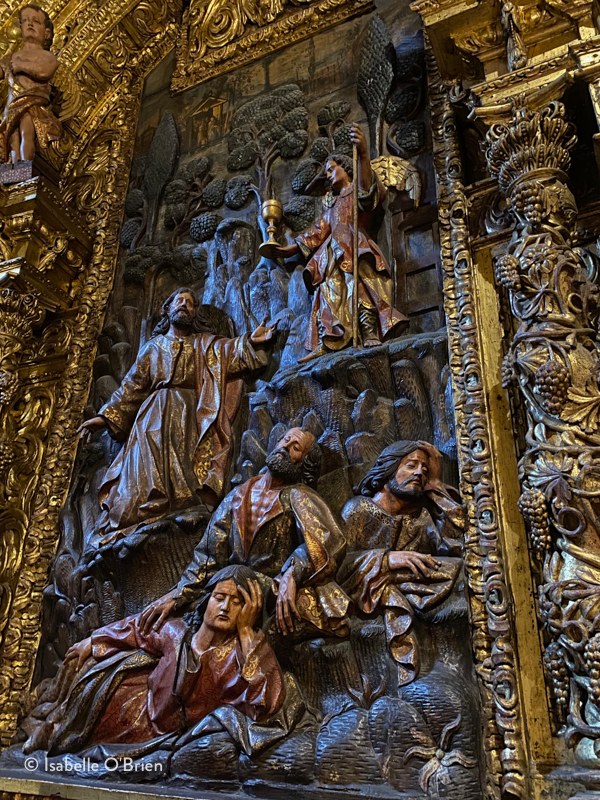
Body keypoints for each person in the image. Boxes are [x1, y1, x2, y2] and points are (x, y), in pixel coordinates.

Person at [78, 288, 275, 549]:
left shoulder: (204, 344)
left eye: (190, 303)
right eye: (179, 301)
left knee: (183, 464)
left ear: (194, 313)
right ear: (168, 309)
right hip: (151, 416)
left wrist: (251, 341)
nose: (184, 305)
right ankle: (143, 510)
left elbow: (229, 352)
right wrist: (104, 418)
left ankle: (178, 507)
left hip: (189, 413)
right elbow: (131, 388)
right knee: (144, 460)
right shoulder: (153, 348)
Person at [22, 565, 286, 754]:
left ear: (249, 610)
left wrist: (245, 632)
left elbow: (265, 704)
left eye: (237, 602)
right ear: (207, 601)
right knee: (93, 682)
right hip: (138, 704)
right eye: (220, 598)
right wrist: (92, 641)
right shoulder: (178, 632)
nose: (226, 607)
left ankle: (54, 734)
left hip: (163, 732)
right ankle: (50, 729)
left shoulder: (246, 651)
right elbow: (137, 629)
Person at [139, 427, 351, 638]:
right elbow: (207, 556)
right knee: (151, 630)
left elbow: (328, 542)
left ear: (303, 462)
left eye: (295, 447)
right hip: (227, 590)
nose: (285, 447)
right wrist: (177, 595)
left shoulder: (300, 497)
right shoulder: (239, 494)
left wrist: (292, 572)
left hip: (268, 594)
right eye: (285, 440)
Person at [268, 123, 407, 362]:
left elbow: (368, 191)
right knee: (326, 293)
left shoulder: (357, 190)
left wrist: (363, 153)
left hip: (355, 249)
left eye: (332, 170)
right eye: (327, 173)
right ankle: (329, 338)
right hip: (330, 256)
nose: (329, 176)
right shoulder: (332, 205)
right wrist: (285, 250)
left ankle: (368, 331)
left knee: (360, 288)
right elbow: (316, 232)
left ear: (347, 168)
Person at [338, 440, 464, 685]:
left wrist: (437, 487)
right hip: (364, 599)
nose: (419, 473)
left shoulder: (420, 519)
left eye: (425, 470)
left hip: (418, 593)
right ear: (389, 469)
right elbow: (338, 567)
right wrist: (387, 560)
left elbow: (457, 548)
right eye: (411, 465)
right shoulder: (359, 510)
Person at [0, 4, 61, 164]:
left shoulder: (46, 56)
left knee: (26, 130)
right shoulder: (11, 57)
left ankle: (24, 166)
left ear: (46, 33)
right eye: (26, 21)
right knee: (12, 138)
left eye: (36, 21)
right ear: (20, 27)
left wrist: (21, 66)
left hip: (31, 103)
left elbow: (44, 71)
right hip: (12, 105)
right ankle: (13, 171)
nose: (30, 24)